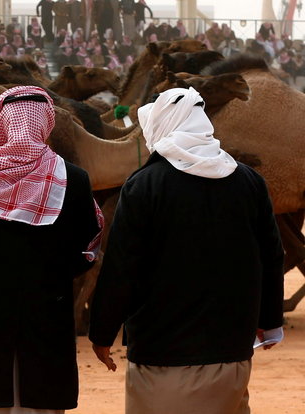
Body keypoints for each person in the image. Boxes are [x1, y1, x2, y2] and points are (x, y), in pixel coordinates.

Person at [88, 87, 285, 414]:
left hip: (161, 357)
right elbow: (271, 255)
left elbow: (122, 268)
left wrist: (102, 332)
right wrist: (269, 319)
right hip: (232, 352)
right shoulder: (249, 182)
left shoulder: (144, 185)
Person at [0, 86, 103, 414]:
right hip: (49, 309)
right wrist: (53, 281)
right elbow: (88, 244)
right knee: (41, 402)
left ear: (0, 121)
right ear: (46, 123)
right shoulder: (74, 178)